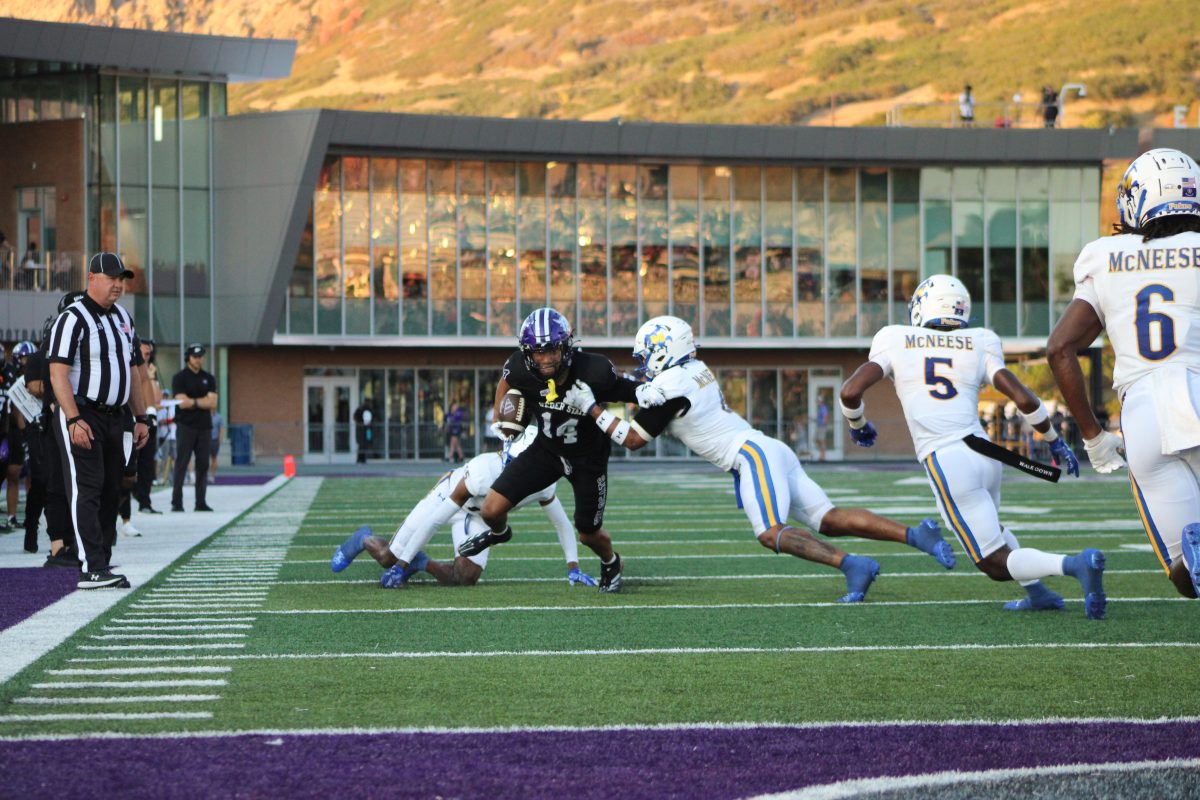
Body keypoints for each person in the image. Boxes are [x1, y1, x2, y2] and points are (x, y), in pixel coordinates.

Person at [564, 315, 957, 603]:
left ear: (666, 350)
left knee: (770, 532)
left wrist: (593, 407)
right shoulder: (692, 370)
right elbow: (648, 390)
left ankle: (852, 564)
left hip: (750, 453)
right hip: (766, 447)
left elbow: (633, 438)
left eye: (648, 353)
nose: (644, 361)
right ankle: (916, 534)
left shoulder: (672, 386)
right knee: (828, 518)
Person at [841, 274, 1106, 618]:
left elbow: (849, 391)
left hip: (948, 457)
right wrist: (1055, 442)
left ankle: (1073, 565)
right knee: (992, 531)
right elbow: (1025, 399)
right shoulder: (980, 341)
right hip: (986, 452)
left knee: (993, 563)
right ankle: (1037, 591)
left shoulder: (894, 338)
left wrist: (858, 425)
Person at [1048, 148, 1200, 600]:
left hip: (1145, 414)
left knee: (1187, 574)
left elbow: (1060, 348)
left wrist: (1094, 437)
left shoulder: (1105, 256)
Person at [458, 307, 665, 593]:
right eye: (537, 352)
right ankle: (500, 533)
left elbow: (624, 388)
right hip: (547, 450)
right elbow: (506, 380)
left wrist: (644, 391)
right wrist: (499, 417)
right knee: (491, 510)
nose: (544, 359)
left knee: (588, 534)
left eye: (552, 350)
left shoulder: (593, 370)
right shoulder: (520, 366)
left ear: (566, 345)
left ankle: (611, 561)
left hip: (588, 459)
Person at [330, 426, 597, 588]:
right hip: (450, 497)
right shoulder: (483, 471)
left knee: (464, 578)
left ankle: (420, 563)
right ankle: (361, 539)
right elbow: (435, 520)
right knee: (389, 557)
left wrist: (573, 566)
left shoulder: (543, 483)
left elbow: (561, 522)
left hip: (481, 513)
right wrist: (399, 565)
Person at [46, 253, 150, 589]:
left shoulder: (122, 318)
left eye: (122, 278)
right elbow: (57, 373)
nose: (119, 284)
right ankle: (91, 566)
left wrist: (142, 416)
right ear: (92, 278)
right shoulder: (73, 318)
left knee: (111, 489)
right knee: (86, 488)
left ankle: (101, 560)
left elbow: (134, 373)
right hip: (84, 412)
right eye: (112, 277)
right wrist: (73, 418)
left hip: (116, 416)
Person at [171, 343, 217, 512]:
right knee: (182, 463)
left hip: (204, 427)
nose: (198, 360)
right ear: (188, 358)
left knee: (203, 464)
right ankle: (177, 502)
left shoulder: (209, 378)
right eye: (195, 356)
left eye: (200, 356)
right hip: (185, 425)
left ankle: (200, 502)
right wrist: (201, 402)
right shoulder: (180, 378)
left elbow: (213, 402)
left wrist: (193, 402)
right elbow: (181, 403)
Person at [134, 339, 162, 513]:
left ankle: (145, 502)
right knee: (127, 468)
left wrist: (150, 377)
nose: (146, 357)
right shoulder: (129, 367)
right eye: (143, 353)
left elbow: (157, 399)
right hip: (129, 420)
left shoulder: (150, 374)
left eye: (148, 354)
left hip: (147, 421)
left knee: (147, 464)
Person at [353, 400, 373, 464]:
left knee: (364, 444)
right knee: (363, 444)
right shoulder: (362, 410)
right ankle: (361, 458)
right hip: (364, 430)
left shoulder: (365, 410)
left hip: (366, 430)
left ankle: (362, 458)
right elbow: (355, 417)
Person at [210, 408, 224, 481]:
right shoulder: (205, 416)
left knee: (214, 458)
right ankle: (203, 476)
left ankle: (212, 476)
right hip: (205, 440)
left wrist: (220, 440)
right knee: (203, 459)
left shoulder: (219, 417)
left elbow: (221, 429)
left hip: (214, 440)